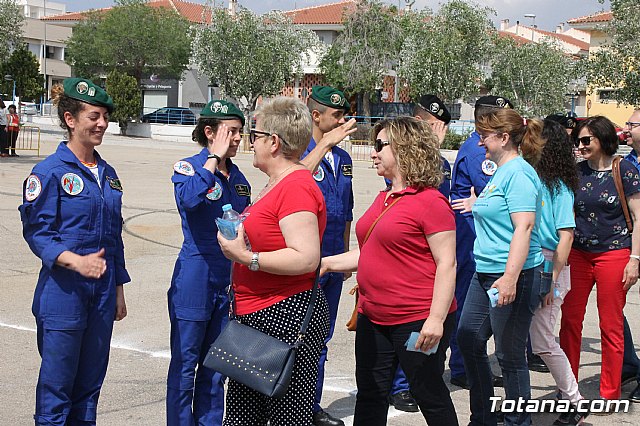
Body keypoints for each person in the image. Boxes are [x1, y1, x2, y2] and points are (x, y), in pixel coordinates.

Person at [322, 116, 458, 426]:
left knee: (428, 393)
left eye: (380, 146)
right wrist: (327, 263)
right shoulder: (386, 198)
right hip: (373, 317)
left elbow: (447, 264)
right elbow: (372, 251)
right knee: (371, 393)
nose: (373, 153)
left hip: (416, 319)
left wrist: (435, 320)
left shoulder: (430, 201)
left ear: (404, 149)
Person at [18, 78, 129, 425]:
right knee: (56, 393)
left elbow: (114, 238)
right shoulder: (48, 172)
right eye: (93, 116)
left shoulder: (107, 174)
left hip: (101, 296)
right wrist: (75, 261)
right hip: (63, 294)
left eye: (104, 117)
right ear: (70, 119)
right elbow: (39, 233)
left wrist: (117, 290)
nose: (102, 124)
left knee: (88, 392)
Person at [217, 96, 330, 426]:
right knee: (242, 416)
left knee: (286, 418)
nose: (250, 142)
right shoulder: (278, 183)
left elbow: (306, 257)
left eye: (255, 133)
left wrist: (246, 257)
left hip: (284, 316)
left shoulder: (295, 187)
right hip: (259, 316)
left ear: (274, 142)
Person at [456, 108, 545, 426]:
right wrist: (475, 204)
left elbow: (524, 227)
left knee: (509, 354)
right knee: (468, 337)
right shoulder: (502, 172)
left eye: (484, 135)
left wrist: (509, 278)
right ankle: (483, 415)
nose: (479, 142)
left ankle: (518, 421)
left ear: (504, 138)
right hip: (485, 274)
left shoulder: (520, 173)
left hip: (512, 276)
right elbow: (498, 209)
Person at [166, 100, 250, 426]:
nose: (237, 139)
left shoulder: (239, 177)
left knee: (216, 367)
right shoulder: (189, 167)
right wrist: (212, 161)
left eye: (240, 132)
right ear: (209, 132)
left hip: (227, 277)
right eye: (231, 132)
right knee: (186, 365)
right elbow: (187, 199)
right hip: (195, 274)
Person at [381, 94, 455, 414]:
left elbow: (437, 202)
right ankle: (401, 386)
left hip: (429, 255)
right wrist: (432, 152)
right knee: (406, 329)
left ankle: (415, 381)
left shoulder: (444, 163)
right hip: (405, 258)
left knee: (425, 332)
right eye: (426, 124)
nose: (432, 130)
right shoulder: (397, 157)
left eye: (436, 126)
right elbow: (414, 188)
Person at [559, 116, 640, 407]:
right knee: (569, 321)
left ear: (603, 139)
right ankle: (567, 389)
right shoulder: (575, 172)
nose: (579, 146)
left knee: (611, 325)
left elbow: (639, 217)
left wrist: (635, 258)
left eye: (585, 141)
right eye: (577, 141)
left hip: (614, 253)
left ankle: (609, 393)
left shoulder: (625, 170)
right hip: (578, 255)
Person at [448, 95, 513, 390]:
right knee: (468, 305)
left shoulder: (486, 147)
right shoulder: (478, 151)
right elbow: (496, 192)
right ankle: (463, 368)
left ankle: (468, 364)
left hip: (479, 233)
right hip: (472, 235)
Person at [525, 119, 586, 425]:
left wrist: (551, 278)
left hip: (550, 264)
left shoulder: (559, 187)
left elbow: (566, 235)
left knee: (543, 341)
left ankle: (573, 401)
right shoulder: (532, 178)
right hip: (530, 260)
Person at [301, 85, 353, 426]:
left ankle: (311, 406)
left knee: (322, 335)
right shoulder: (301, 151)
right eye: (337, 116)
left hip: (335, 259)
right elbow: (291, 181)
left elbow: (346, 209)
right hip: (305, 261)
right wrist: (323, 146)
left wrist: (347, 253)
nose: (342, 121)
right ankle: (291, 404)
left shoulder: (345, 159)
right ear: (316, 116)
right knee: (299, 335)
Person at [623, 109, 640, 403]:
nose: (626, 127)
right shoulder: (626, 163)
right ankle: (628, 364)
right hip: (628, 244)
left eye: (632, 123)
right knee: (613, 307)